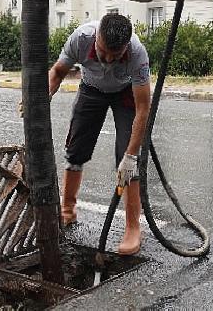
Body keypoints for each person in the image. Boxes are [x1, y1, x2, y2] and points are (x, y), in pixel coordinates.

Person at [49, 13, 151, 255]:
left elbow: (143, 109)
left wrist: (131, 156)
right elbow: (57, 72)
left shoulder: (137, 54)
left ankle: (133, 228)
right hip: (91, 89)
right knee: (76, 149)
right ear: (96, 37)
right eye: (103, 51)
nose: (107, 59)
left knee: (127, 160)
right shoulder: (81, 38)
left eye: (115, 56)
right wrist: (41, 97)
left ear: (126, 47)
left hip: (125, 92)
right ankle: (67, 210)